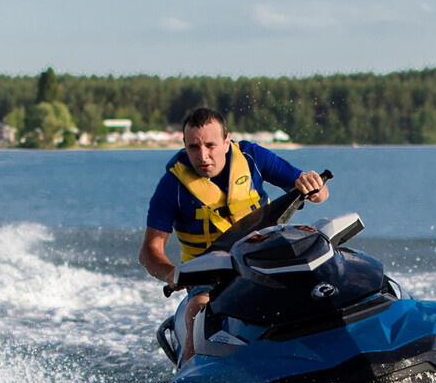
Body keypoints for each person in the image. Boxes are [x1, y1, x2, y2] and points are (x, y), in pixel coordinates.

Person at [140, 107, 328, 363]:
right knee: (198, 309)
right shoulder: (172, 186)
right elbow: (149, 252)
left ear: (227, 141)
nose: (203, 156)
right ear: (184, 146)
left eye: (210, 145)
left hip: (266, 258)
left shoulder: (253, 157)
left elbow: (318, 193)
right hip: (210, 276)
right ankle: (190, 376)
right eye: (193, 147)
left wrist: (315, 187)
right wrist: (172, 274)